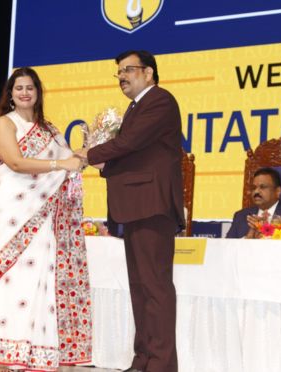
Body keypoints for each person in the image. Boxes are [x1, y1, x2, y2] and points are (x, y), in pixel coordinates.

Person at [0, 67, 92, 371]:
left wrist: (92, 150)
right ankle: (3, 356)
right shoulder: (5, 123)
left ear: (38, 92)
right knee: (11, 279)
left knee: (40, 278)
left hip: (46, 216)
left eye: (30, 87)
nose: (25, 93)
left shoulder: (50, 130)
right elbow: (15, 161)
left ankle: (35, 354)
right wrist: (60, 162)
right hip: (14, 210)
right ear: (11, 94)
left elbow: (70, 162)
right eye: (19, 88)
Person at [79, 50, 185, 372]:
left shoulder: (160, 101)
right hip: (135, 205)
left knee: (156, 289)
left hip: (152, 206)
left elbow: (131, 143)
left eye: (129, 70)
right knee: (140, 289)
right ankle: (143, 360)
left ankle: (162, 365)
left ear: (149, 73)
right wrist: (102, 161)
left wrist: (88, 154)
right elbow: (130, 155)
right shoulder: (135, 108)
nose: (123, 77)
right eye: (119, 73)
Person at [226, 167, 281, 239]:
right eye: (254, 188)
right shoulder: (241, 216)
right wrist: (248, 239)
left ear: (278, 191)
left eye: (263, 187)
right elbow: (227, 247)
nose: (256, 191)